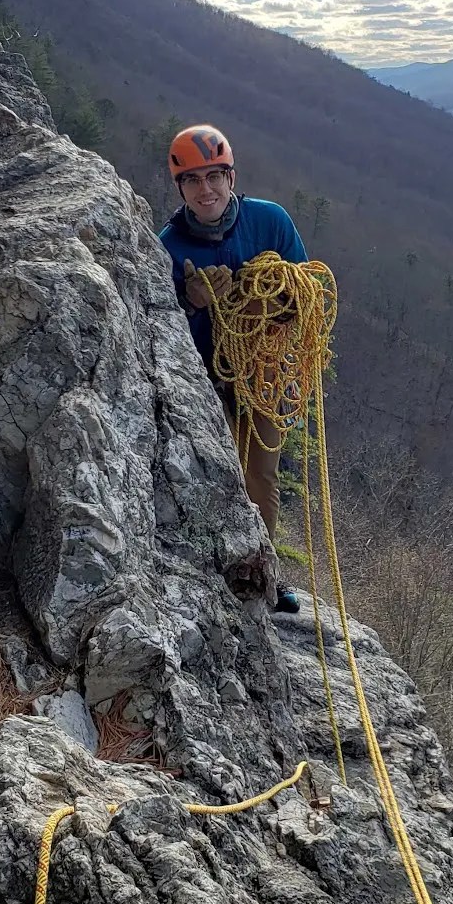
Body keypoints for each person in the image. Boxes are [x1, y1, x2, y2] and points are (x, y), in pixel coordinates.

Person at [158, 123, 307, 614]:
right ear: (179, 187)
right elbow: (153, 328)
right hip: (200, 382)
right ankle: (220, 571)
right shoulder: (168, 247)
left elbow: (305, 294)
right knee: (221, 477)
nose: (207, 190)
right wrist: (193, 303)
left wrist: (263, 302)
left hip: (261, 374)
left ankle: (266, 575)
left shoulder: (271, 223)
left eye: (215, 177)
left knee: (261, 475)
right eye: (194, 180)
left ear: (231, 176)